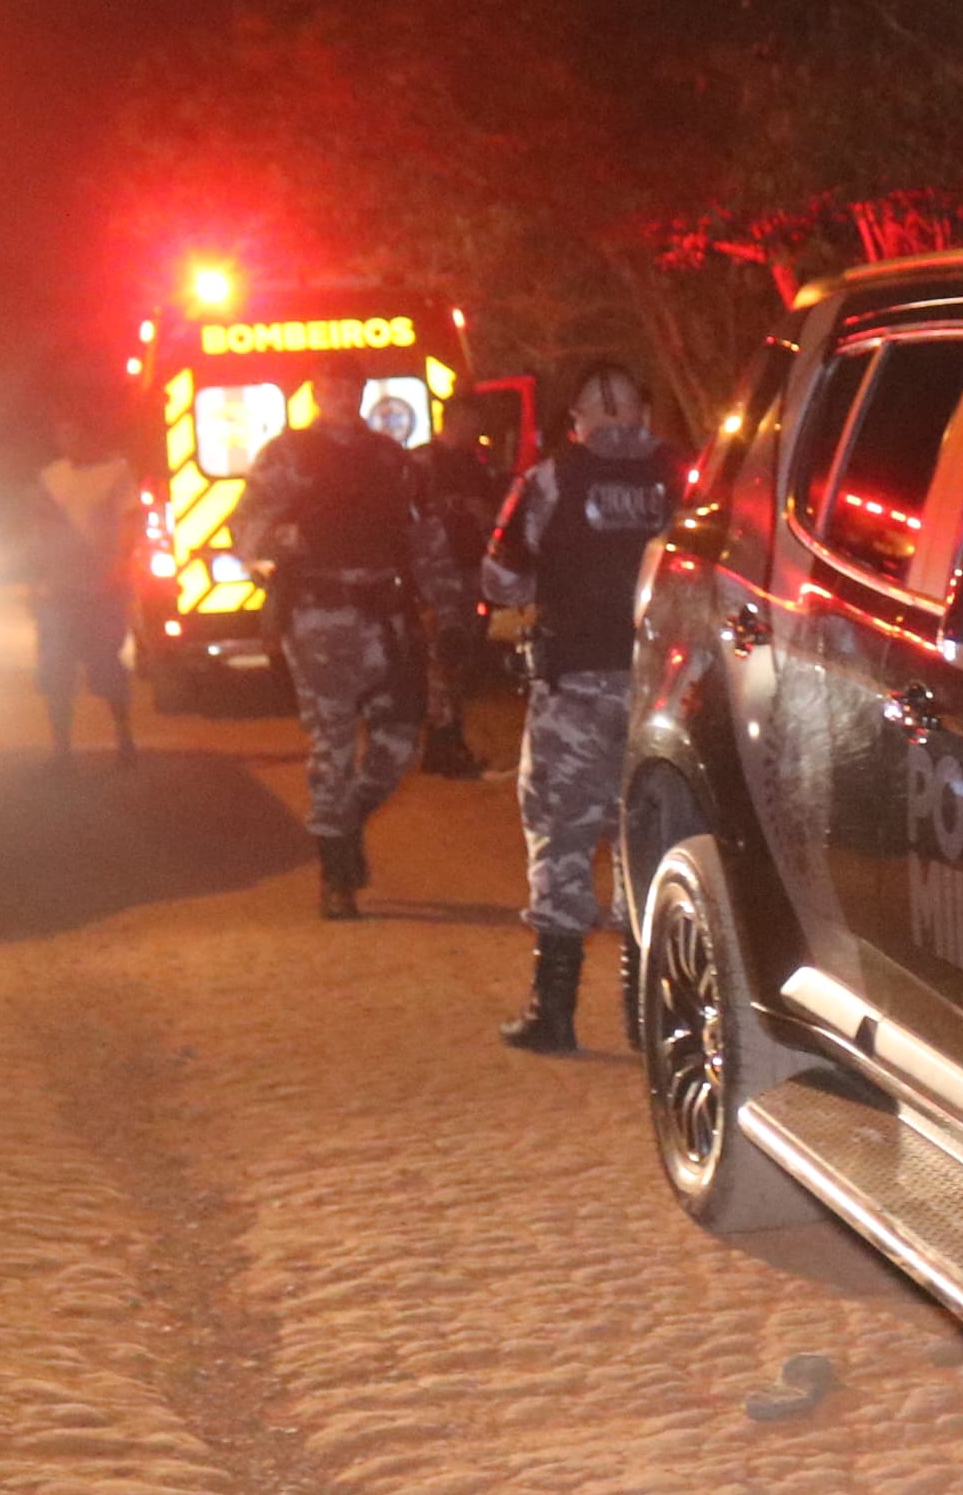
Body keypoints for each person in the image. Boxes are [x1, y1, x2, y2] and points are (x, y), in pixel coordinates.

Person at [480, 360, 689, 1050]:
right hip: (663, 689)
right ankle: (646, 1015)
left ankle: (555, 1010)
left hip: (573, 688)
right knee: (650, 838)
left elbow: (502, 578)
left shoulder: (549, 478)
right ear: (644, 414)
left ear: (577, 421)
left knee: (563, 837)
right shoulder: (686, 476)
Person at [236, 373, 461, 917]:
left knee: (399, 742)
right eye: (331, 389)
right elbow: (246, 525)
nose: (341, 398)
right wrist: (292, 541)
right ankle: (336, 874)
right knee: (332, 748)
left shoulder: (391, 460)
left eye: (349, 388)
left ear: (360, 394)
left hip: (385, 613)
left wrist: (448, 604)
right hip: (319, 615)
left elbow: (423, 533)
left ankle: (345, 822)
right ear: (316, 394)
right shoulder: (287, 455)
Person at [26, 404, 143, 769]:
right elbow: (38, 531)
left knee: (106, 666)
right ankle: (61, 750)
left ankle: (124, 738)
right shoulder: (51, 476)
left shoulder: (115, 473)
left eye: (75, 434)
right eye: (62, 434)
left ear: (91, 436)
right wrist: (36, 580)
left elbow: (128, 524)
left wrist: (118, 571)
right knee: (55, 669)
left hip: (100, 591)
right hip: (58, 593)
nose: (67, 441)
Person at [412, 412, 506, 777]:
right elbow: (413, 519)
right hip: (438, 572)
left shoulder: (474, 463)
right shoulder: (422, 463)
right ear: (455, 423)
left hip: (470, 568)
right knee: (442, 656)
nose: (478, 432)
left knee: (459, 657)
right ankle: (442, 744)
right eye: (472, 426)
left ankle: (449, 740)